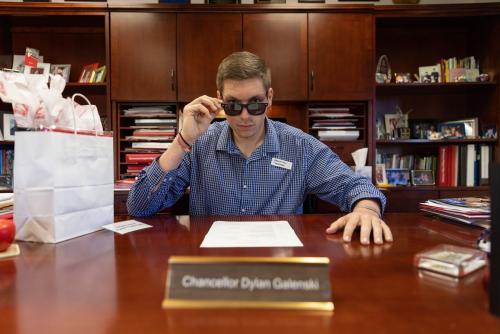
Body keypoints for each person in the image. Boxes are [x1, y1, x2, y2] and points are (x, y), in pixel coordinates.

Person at [127, 51, 393, 245]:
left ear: (269, 98)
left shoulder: (299, 146)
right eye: (233, 105)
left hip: (280, 265)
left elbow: (355, 186)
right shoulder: (198, 145)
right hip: (210, 267)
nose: (245, 116)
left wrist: (366, 210)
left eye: (255, 103)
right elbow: (139, 206)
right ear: (219, 100)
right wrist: (183, 140)